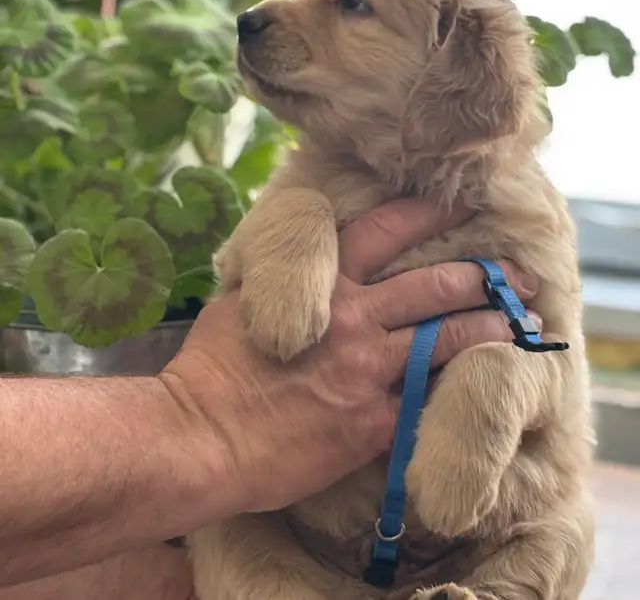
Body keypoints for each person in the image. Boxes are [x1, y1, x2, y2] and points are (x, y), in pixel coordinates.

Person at [0, 198, 539, 599]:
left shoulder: (523, 211)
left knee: (558, 535)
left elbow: (553, 357)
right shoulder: (305, 187)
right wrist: (205, 418)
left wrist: (498, 380)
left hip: (475, 549)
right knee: (230, 541)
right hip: (290, 549)